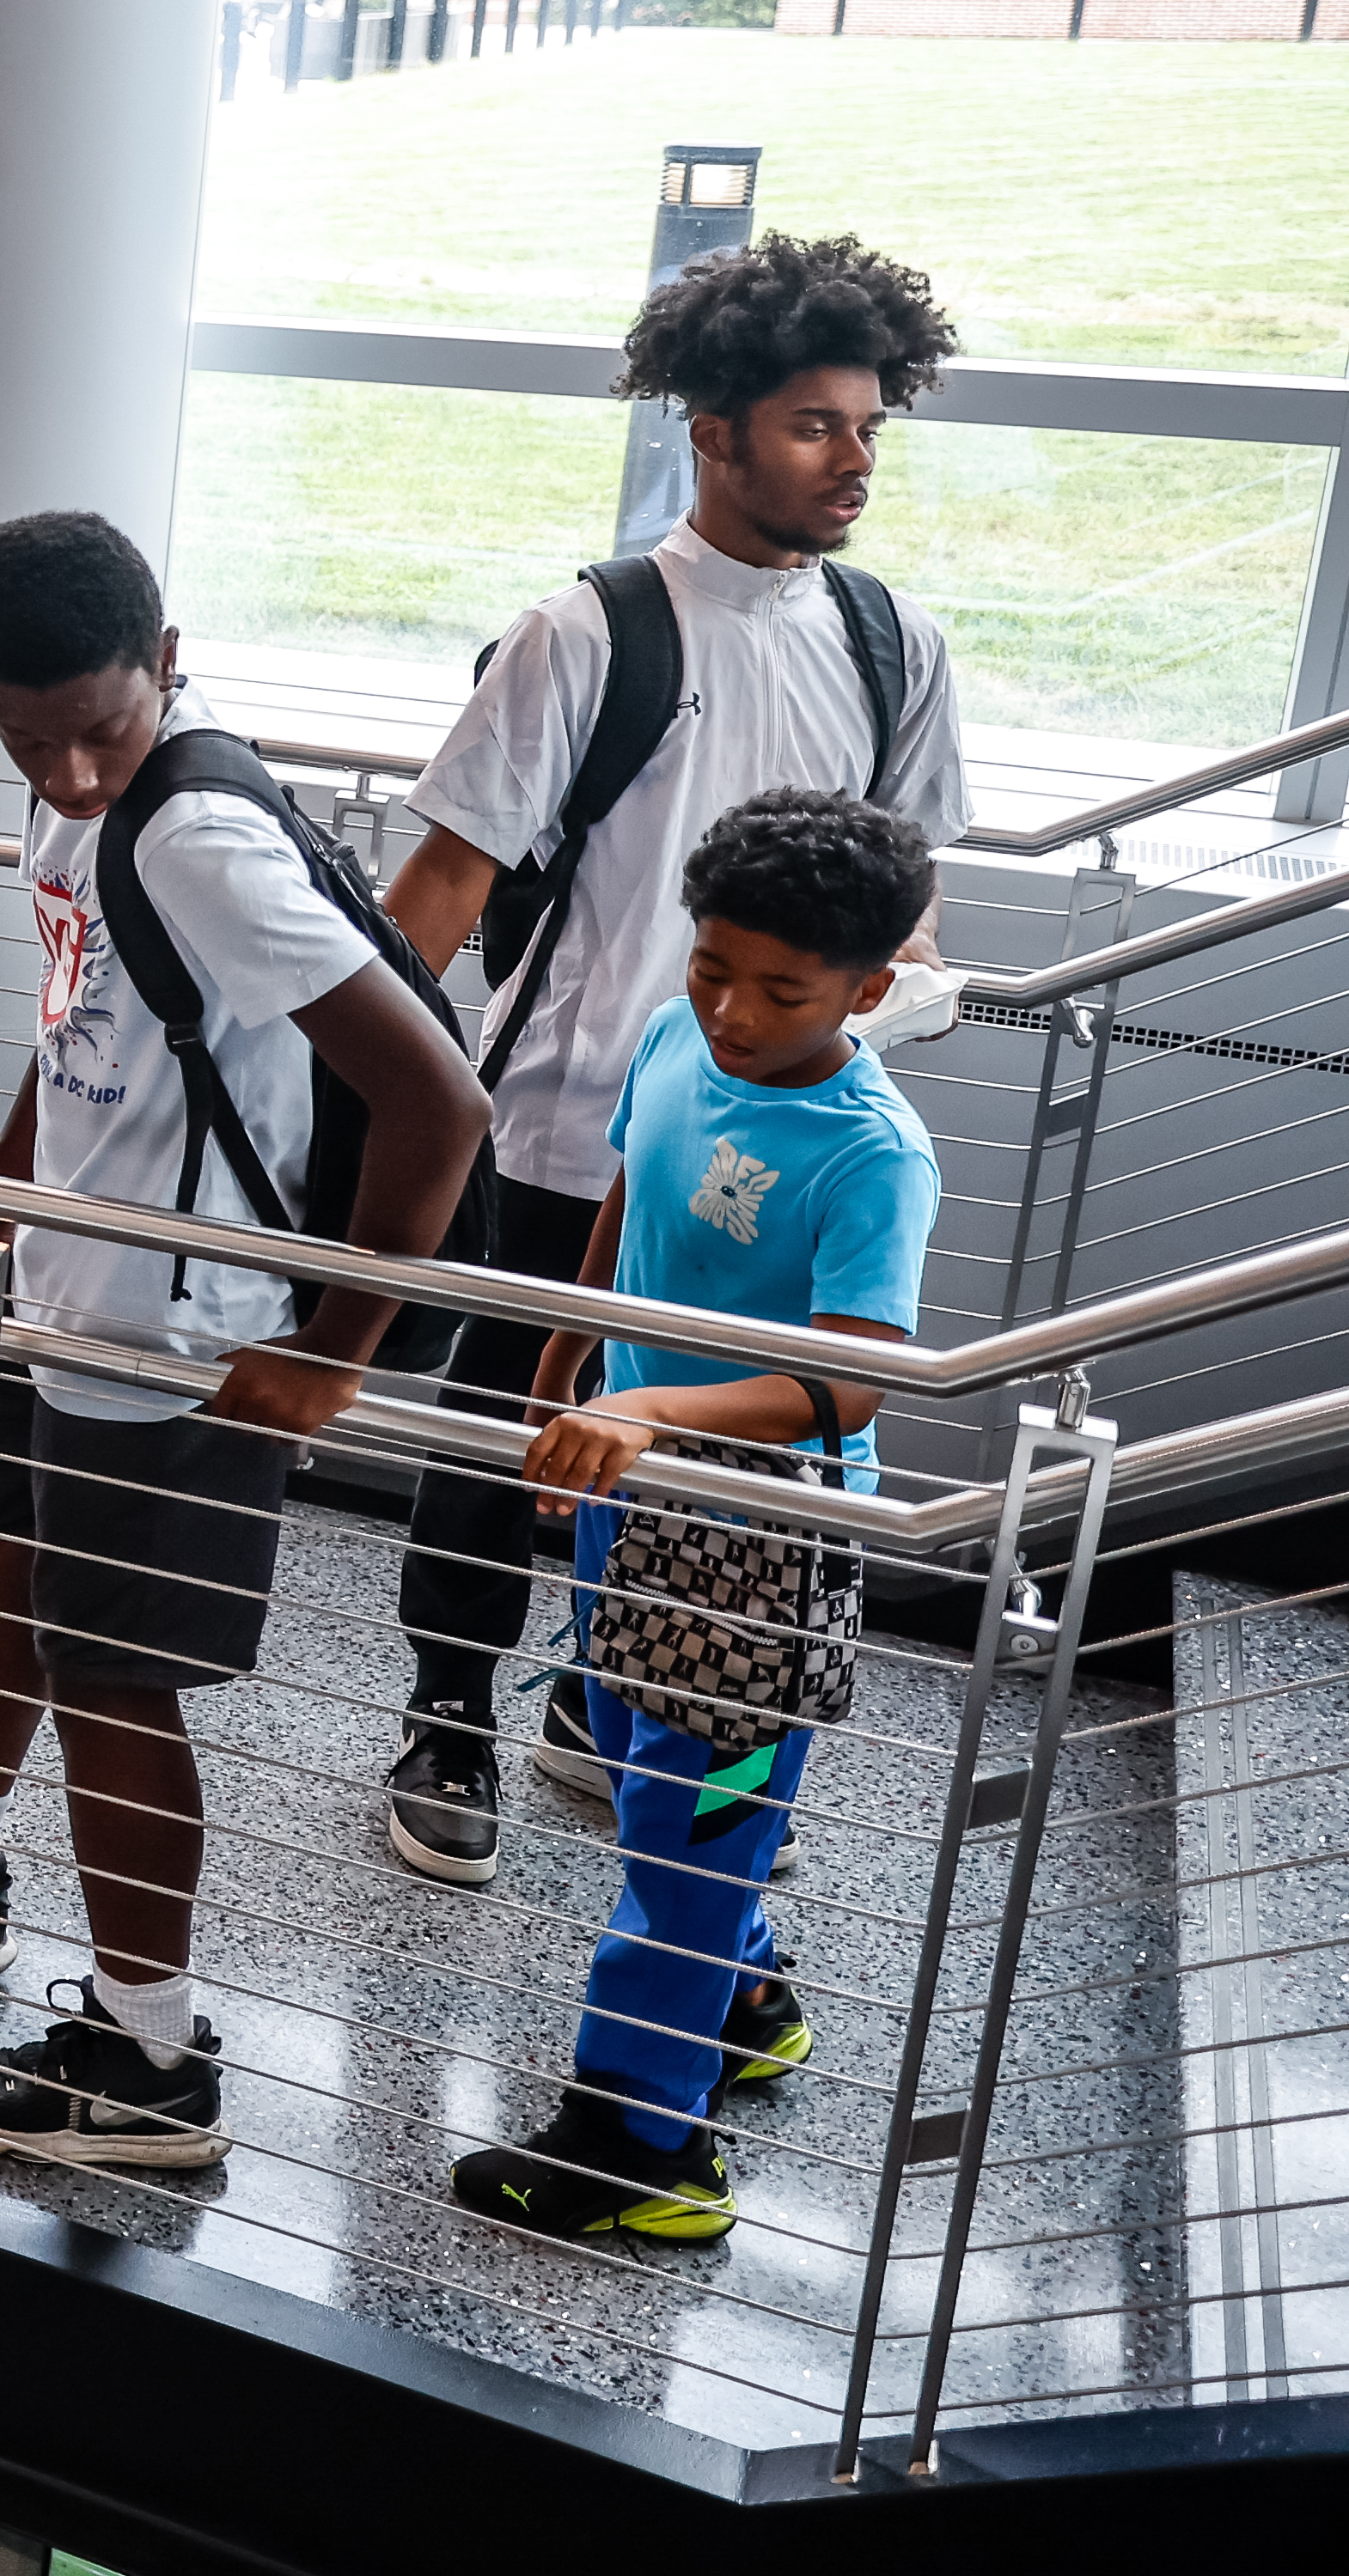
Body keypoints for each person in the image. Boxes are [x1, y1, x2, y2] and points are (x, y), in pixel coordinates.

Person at [0, 513, 487, 2168]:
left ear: (169, 661)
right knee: (5, 1576)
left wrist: (334, 1345)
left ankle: (150, 2065)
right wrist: (1, 1203)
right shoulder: (74, 803)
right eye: (30, 741)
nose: (73, 771)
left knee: (116, 1691)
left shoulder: (198, 841)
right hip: (74, 1306)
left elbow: (436, 1101)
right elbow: (86, 1019)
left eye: (102, 726)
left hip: (182, 1347)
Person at [371, 236, 966, 1882]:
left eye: (866, 428)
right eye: (812, 427)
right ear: (710, 432)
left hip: (771, 1164)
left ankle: (600, 1696)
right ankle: (448, 1711)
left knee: (689, 1458)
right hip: (573, 1127)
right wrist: (329, 1081)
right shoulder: (587, 635)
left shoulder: (891, 644)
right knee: (505, 1440)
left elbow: (908, 913)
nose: (852, 460)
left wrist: (883, 1006)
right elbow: (444, 884)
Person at [452, 793, 937, 2243]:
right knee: (639, 1758)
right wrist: (574, 1347)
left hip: (756, 1541)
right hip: (628, 1477)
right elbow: (627, 1185)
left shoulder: (872, 1152)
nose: (730, 1012)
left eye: (780, 992)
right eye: (711, 969)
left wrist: (655, 1412)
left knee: (684, 1838)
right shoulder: (676, 1038)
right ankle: (748, 2000)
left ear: (871, 990)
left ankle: (644, 2154)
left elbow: (847, 1385)